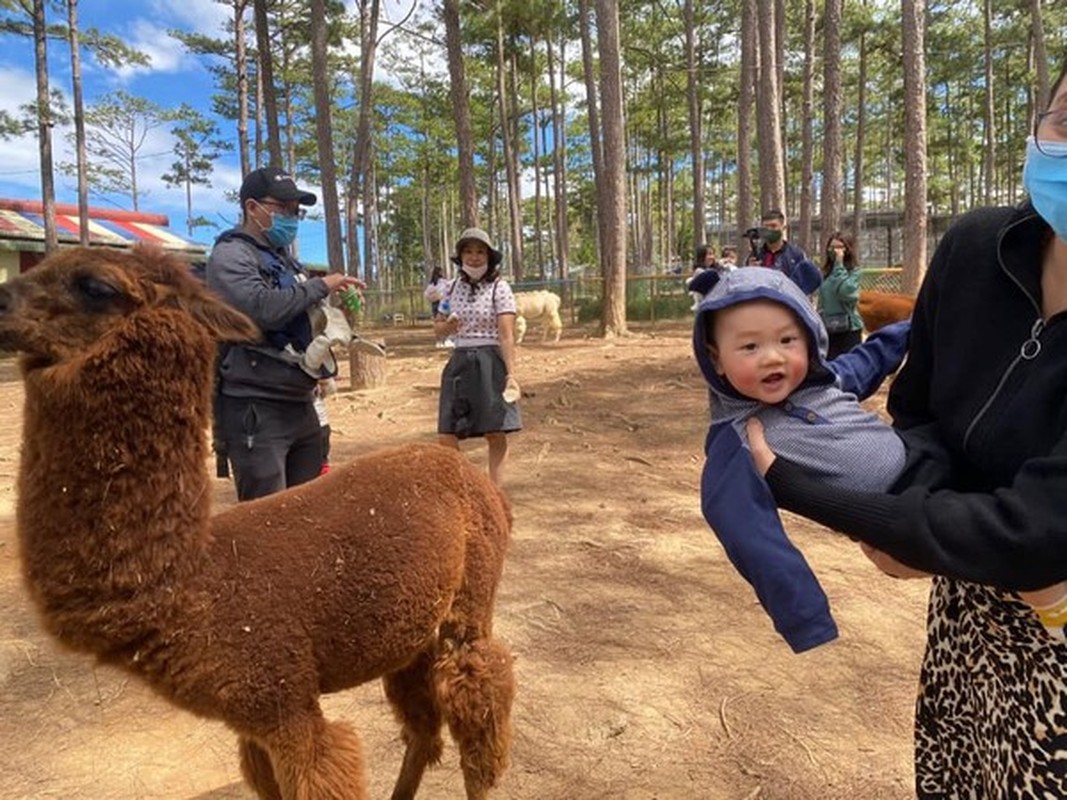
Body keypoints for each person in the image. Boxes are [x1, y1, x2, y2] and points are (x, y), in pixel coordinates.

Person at [744, 64, 1067, 798]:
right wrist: (913, 526)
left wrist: (796, 483)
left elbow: (1038, 530)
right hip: (966, 614)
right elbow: (918, 413)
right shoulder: (974, 250)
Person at [693, 266, 910, 653]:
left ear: (810, 339)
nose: (772, 358)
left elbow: (872, 357)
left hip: (926, 458)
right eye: (749, 347)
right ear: (717, 360)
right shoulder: (738, 440)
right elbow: (753, 539)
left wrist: (916, 326)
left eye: (787, 340)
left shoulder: (825, 381)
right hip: (903, 513)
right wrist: (804, 616)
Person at [207, 166, 364, 501]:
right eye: (282, 208)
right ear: (252, 208)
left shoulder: (286, 262)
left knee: (308, 511)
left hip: (300, 403)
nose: (292, 217)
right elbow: (260, 309)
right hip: (257, 410)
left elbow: (303, 319)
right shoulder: (230, 255)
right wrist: (321, 285)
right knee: (266, 521)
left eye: (296, 211)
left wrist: (341, 311)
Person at [435, 228, 522, 486]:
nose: (474, 257)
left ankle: (494, 491)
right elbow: (437, 328)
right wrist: (448, 326)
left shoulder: (500, 288)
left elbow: (507, 335)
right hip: (459, 362)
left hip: (490, 362)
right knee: (446, 433)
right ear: (461, 256)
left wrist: (511, 374)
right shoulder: (451, 288)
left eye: (480, 252)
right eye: (468, 251)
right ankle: (468, 487)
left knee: (495, 431)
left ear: (489, 257)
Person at [816, 232, 863, 359]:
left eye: (839, 247)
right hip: (828, 328)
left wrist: (839, 265)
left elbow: (846, 292)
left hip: (849, 329)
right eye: (832, 247)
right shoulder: (825, 272)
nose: (834, 251)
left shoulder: (854, 272)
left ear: (847, 250)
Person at [753, 209, 822, 294]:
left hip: (788, 304)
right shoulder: (755, 256)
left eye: (773, 226)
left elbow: (809, 282)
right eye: (766, 227)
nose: (769, 230)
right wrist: (750, 270)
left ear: (783, 228)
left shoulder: (796, 255)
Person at [424, 265, 453, 348]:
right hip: (444, 304)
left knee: (437, 322)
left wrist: (433, 297)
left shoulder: (432, 284)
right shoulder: (444, 282)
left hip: (436, 304)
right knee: (446, 321)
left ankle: (439, 341)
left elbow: (426, 295)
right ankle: (446, 340)